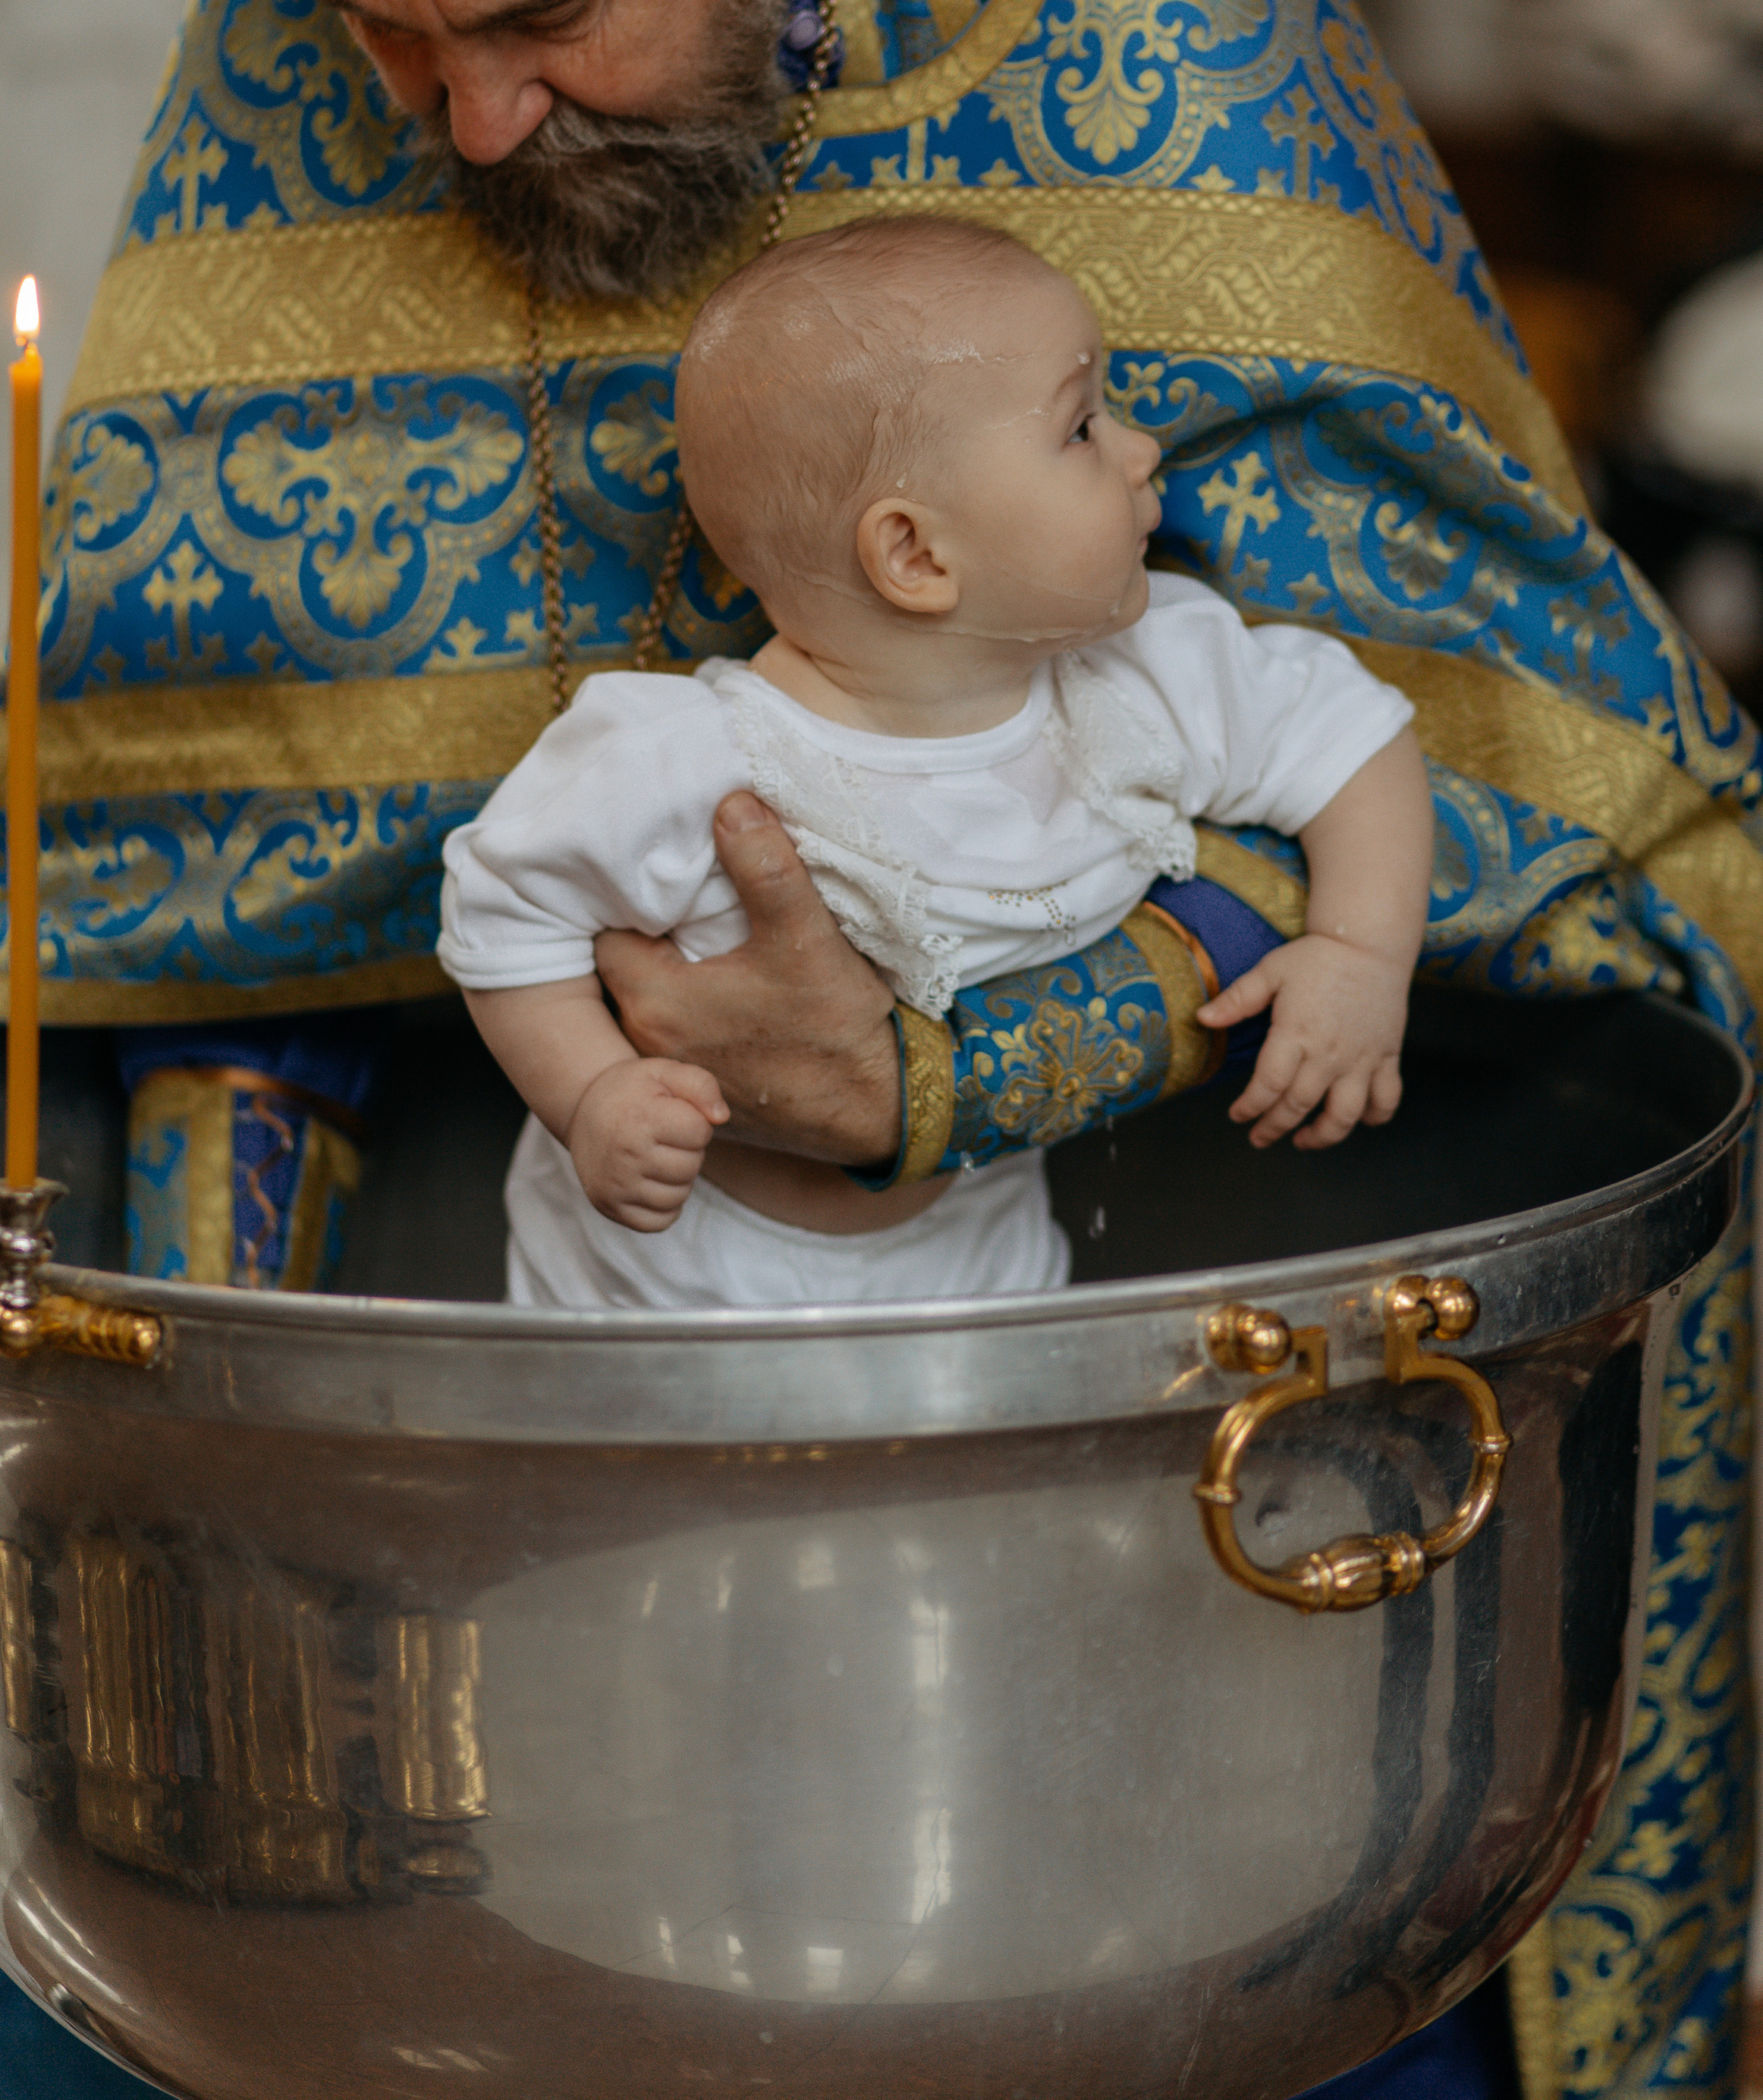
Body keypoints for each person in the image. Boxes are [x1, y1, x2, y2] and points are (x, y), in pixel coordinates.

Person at [10, 0, 1763, 2099]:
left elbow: (1607, 855)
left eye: (554, 13)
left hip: (1145, 1445)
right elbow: (162, 870)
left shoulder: (1143, 168)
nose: (468, 123)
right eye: (371, 20)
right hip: (513, 1479)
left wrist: (970, 1065)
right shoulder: (342, 88)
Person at [438, 218, 1430, 1307]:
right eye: (1085, 427)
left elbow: (1354, 739)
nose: (1147, 448)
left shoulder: (1151, 677)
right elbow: (505, 913)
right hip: (669, 1272)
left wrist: (1358, 953)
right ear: (914, 554)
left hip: (979, 1253)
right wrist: (591, 1095)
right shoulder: (687, 761)